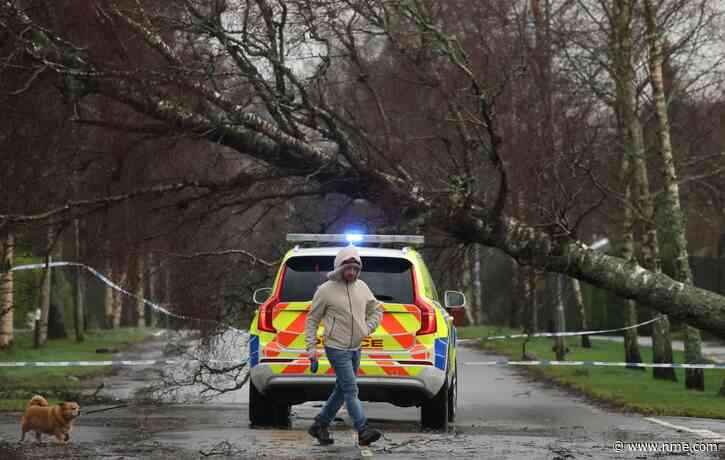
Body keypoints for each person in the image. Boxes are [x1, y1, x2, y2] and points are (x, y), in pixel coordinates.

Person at [304, 245, 384, 446]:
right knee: (351, 389)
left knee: (341, 390)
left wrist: (367, 328)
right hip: (336, 348)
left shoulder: (362, 287)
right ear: (339, 267)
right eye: (348, 268)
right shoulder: (325, 290)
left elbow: (377, 310)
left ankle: (319, 425)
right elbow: (312, 320)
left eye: (356, 269)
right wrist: (311, 350)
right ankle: (363, 429)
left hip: (356, 347)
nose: (352, 273)